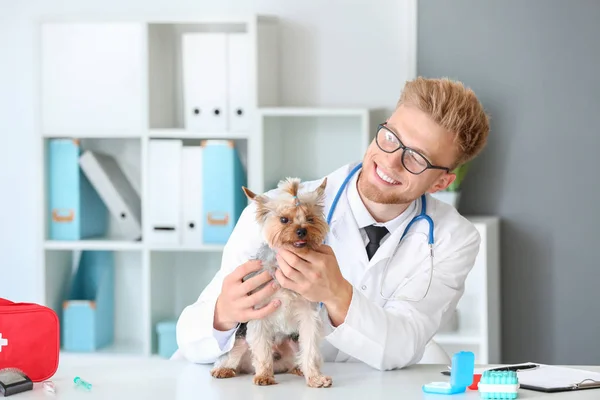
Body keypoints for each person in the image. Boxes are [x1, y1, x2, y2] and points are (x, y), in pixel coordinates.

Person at [175, 77, 490, 371]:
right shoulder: (275, 212)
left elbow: (403, 345)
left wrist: (337, 294)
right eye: (390, 137)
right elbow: (190, 339)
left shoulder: (453, 239)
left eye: (418, 158)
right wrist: (223, 314)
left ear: (440, 183)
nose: (391, 160)